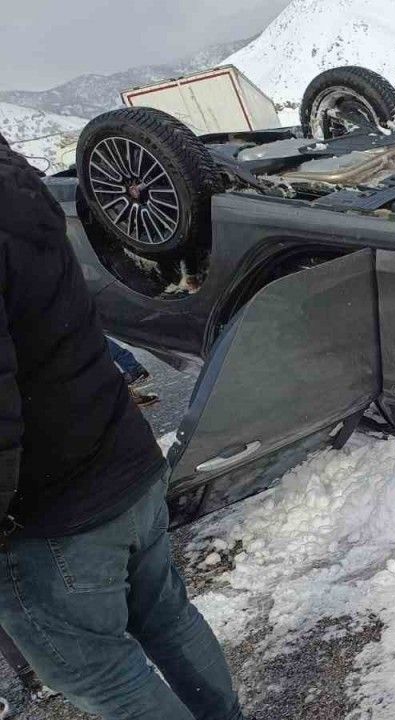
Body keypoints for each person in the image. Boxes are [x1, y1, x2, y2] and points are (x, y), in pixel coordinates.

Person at [0, 146, 244, 718]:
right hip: (119, 457)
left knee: (103, 673)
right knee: (165, 614)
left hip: (49, 510)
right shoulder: (17, 188)